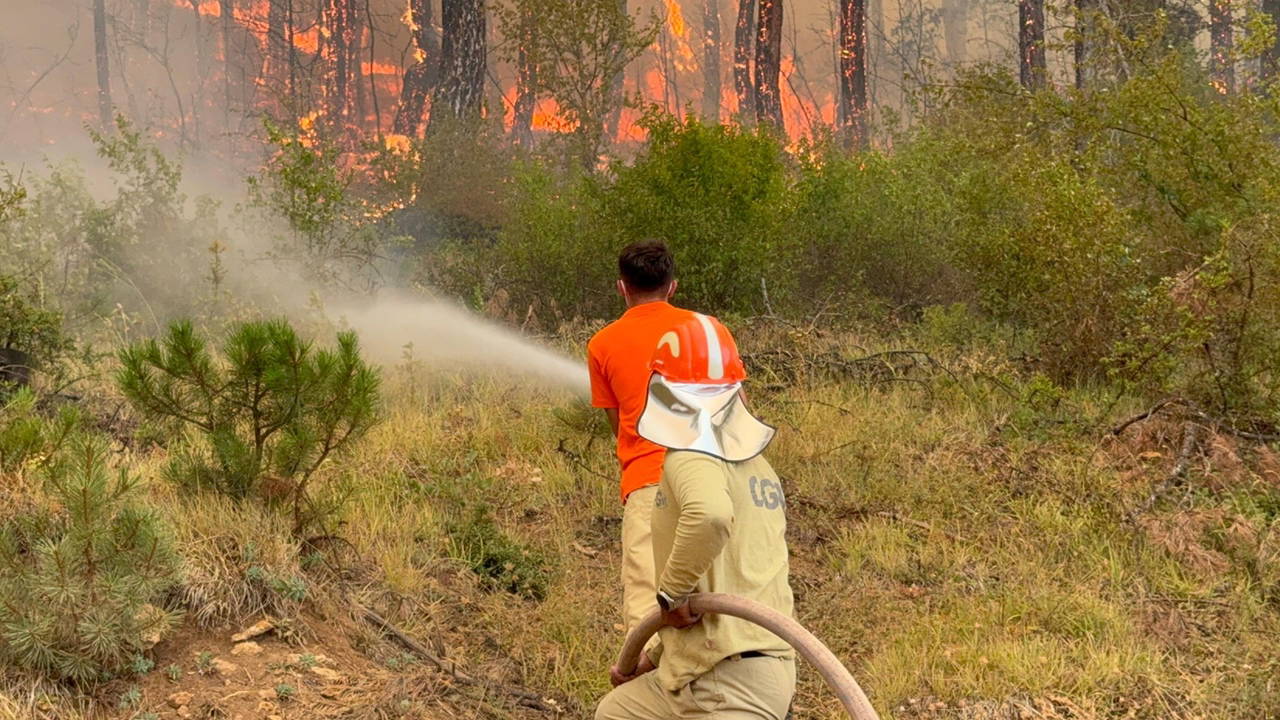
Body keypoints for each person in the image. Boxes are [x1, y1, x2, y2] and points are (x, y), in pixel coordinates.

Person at [595, 312, 794, 720]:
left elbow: (709, 517)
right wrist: (652, 657)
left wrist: (671, 596)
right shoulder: (757, 468)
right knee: (616, 712)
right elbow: (725, 568)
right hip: (745, 666)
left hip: (722, 678)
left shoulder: (692, 453)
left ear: (665, 391)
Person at [587, 239, 695, 638]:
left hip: (648, 482)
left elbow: (618, 425)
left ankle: (647, 672)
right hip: (713, 477)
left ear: (622, 287)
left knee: (647, 605)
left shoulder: (602, 344)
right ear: (672, 287)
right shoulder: (707, 330)